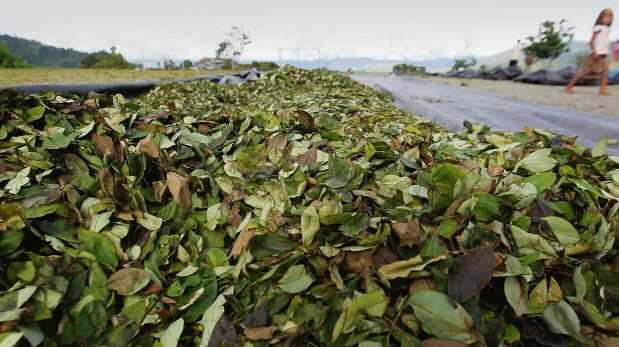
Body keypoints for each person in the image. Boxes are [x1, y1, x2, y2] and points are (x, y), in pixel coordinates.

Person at [566, 8, 614, 95]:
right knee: (583, 71)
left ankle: (602, 91)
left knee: (605, 71)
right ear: (601, 18)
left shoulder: (607, 29)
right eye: (606, 17)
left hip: (603, 54)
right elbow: (591, 41)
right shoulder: (598, 28)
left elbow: (603, 41)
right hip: (596, 54)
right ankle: (569, 87)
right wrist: (594, 51)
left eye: (610, 17)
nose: (608, 19)